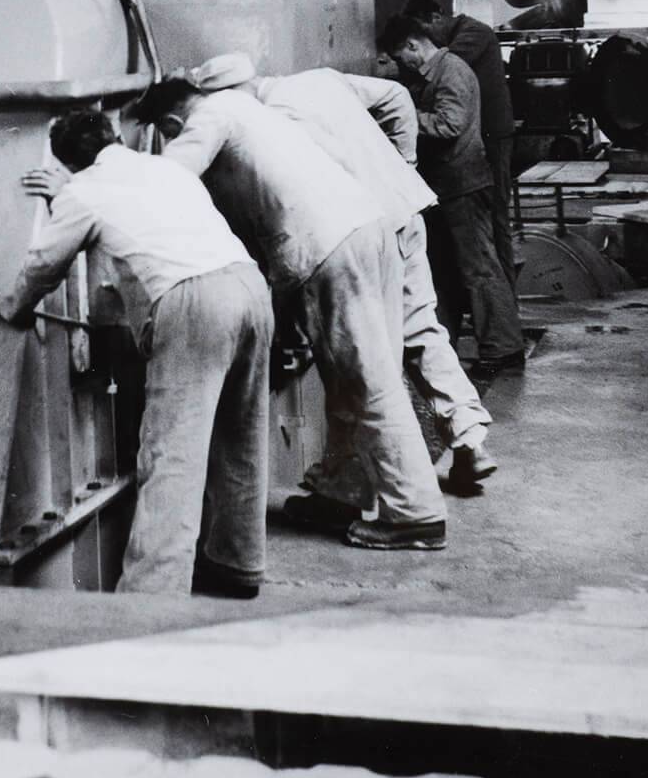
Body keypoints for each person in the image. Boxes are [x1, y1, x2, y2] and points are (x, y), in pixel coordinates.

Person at [133, 77, 448, 551]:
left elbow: (166, 181)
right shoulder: (246, 110)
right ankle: (342, 492)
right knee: (349, 380)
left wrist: (107, 179)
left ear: (174, 122)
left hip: (330, 243)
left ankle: (415, 514)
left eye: (167, 131)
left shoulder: (211, 116)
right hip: (367, 226)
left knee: (367, 380)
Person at [186, 53, 496, 498]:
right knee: (424, 330)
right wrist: (403, 161)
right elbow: (395, 97)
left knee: (363, 363)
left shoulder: (267, 122)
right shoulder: (317, 77)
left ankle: (359, 486)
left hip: (357, 233)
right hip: (405, 208)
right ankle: (469, 439)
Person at [0, 108, 274, 597]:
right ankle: (238, 564)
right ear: (115, 136)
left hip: (194, 302)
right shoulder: (164, 166)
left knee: (172, 455)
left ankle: (153, 594)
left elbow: (44, 265)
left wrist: (12, 307)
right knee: (241, 434)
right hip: (249, 287)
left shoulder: (82, 192)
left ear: (68, 163)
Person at [380, 16, 526, 375]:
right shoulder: (431, 74)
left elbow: (449, 124)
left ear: (415, 45)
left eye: (402, 58)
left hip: (464, 184)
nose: (402, 65)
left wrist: (402, 114)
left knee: (479, 268)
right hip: (445, 187)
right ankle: (443, 345)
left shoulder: (452, 71)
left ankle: (503, 349)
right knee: (446, 270)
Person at [402, 0, 517, 287]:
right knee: (486, 223)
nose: (427, 39)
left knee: (495, 217)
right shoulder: (460, 36)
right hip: (478, 133)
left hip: (492, 136)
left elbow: (441, 65)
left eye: (426, 31)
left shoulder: (473, 34)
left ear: (437, 17)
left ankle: (505, 295)